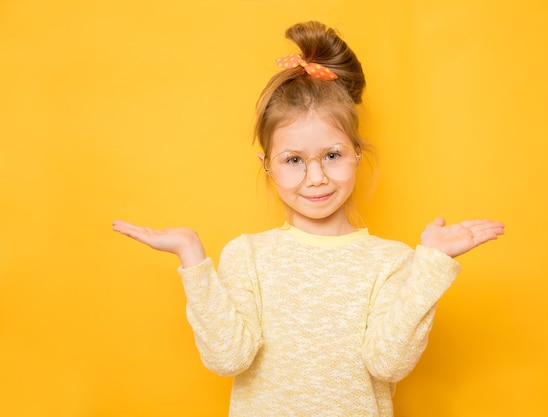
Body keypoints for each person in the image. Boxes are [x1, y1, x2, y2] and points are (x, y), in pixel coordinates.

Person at [112, 21, 504, 416]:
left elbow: (388, 363)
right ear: (267, 165)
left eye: (332, 155)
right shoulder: (247, 256)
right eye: (294, 160)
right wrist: (192, 259)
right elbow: (228, 359)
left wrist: (430, 266)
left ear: (356, 154)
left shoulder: (392, 262)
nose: (316, 178)